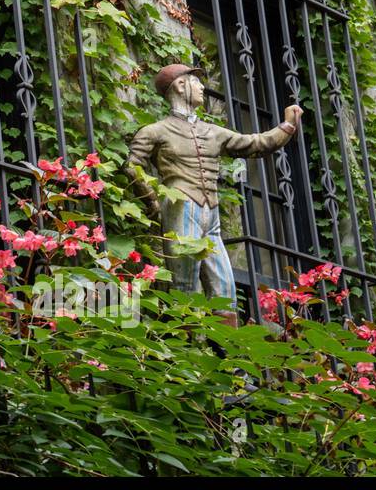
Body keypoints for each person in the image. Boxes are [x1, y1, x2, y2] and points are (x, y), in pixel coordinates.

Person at [125, 63, 302, 326]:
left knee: (225, 288)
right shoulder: (155, 131)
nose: (201, 87)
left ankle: (227, 360)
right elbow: (132, 166)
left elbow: (255, 144)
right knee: (183, 284)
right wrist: (152, 202)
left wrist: (287, 126)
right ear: (180, 85)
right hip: (181, 206)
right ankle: (184, 351)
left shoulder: (212, 132)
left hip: (212, 214)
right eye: (195, 82)